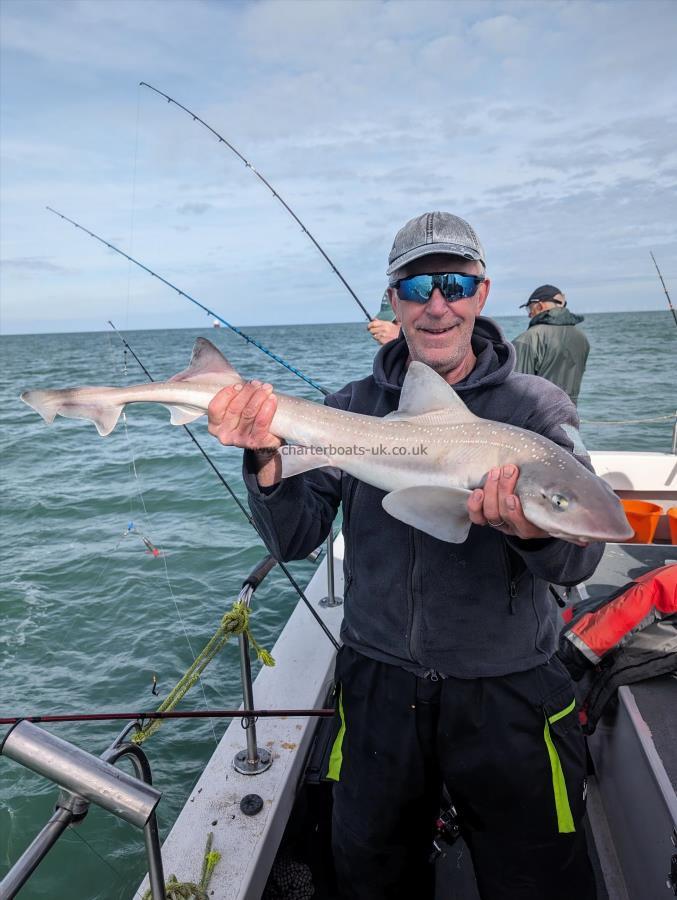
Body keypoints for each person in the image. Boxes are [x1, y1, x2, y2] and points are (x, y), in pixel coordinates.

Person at [207, 211, 603, 900]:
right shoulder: (352, 406)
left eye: (453, 283)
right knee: (370, 875)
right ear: (392, 301)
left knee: (539, 878)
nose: (436, 304)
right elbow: (293, 540)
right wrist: (264, 462)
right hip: (379, 685)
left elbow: (579, 562)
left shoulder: (532, 408)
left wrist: (532, 531)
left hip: (507, 689)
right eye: (416, 286)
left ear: (481, 294)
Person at [513, 284, 590, 405]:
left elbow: (514, 389)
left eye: (529, 309)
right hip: (569, 415)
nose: (529, 314)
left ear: (540, 306)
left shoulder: (528, 338)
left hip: (535, 418)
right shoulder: (581, 338)